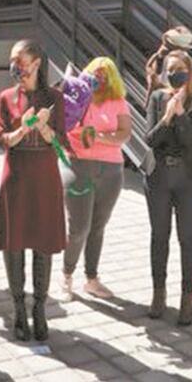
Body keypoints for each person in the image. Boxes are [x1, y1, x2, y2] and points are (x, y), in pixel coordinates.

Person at [0, 39, 67, 342]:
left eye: (20, 60)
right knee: (14, 242)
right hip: (17, 175)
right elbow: (1, 139)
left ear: (37, 62)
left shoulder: (55, 97)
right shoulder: (6, 96)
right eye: (13, 60)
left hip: (45, 176)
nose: (15, 66)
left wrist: (45, 128)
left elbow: (61, 142)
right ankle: (18, 309)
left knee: (43, 241)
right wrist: (23, 128)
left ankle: (39, 308)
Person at [144, 49, 192, 326]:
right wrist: (167, 116)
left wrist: (181, 115)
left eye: (180, 69)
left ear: (190, 72)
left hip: (188, 178)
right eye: (170, 69)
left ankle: (186, 298)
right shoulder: (158, 97)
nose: (174, 74)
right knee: (160, 236)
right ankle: (159, 294)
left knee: (187, 238)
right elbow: (151, 138)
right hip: (159, 175)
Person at [60, 56, 132, 300]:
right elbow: (66, 126)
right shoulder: (79, 98)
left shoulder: (118, 101)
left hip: (111, 170)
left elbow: (124, 134)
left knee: (98, 227)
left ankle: (91, 279)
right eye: (95, 73)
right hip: (79, 166)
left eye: (106, 74)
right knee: (79, 227)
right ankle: (66, 275)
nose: (100, 78)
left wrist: (98, 136)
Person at [144, 26, 192, 99]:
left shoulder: (183, 58)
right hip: (162, 90)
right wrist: (152, 74)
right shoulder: (164, 53)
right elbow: (151, 67)